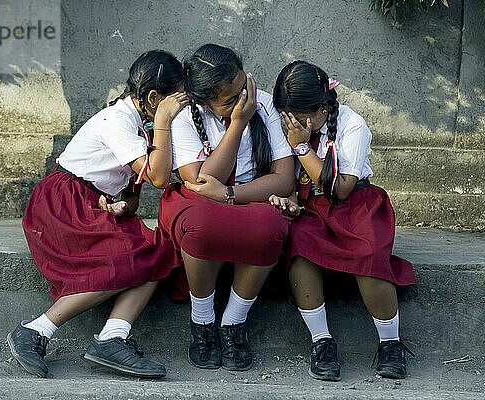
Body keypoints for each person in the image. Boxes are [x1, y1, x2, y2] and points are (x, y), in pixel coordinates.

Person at [7, 50, 188, 379]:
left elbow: (132, 201)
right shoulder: (118, 121)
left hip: (90, 205)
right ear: (152, 97)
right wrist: (163, 122)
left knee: (160, 251)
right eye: (172, 102)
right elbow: (160, 179)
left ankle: (112, 337)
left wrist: (116, 204)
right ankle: (36, 330)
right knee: (134, 257)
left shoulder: (141, 127)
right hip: (61, 205)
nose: (176, 110)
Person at [269, 60, 415, 381]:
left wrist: (301, 146)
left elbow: (342, 188)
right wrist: (289, 201)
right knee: (300, 246)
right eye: (287, 116)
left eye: (299, 116)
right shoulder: (289, 124)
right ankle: (321, 341)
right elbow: (288, 178)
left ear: (323, 106)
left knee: (369, 251)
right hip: (312, 206)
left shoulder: (352, 125)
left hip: (356, 205)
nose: (292, 123)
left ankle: (391, 343)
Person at [158, 44, 294, 371]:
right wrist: (238, 123)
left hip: (248, 195)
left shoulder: (263, 105)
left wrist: (232, 194)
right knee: (202, 224)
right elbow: (202, 183)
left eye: (241, 88)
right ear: (204, 101)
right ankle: (202, 320)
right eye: (229, 100)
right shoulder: (186, 116)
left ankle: (233, 321)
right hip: (199, 201)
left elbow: (284, 180)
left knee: (271, 226)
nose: (242, 100)